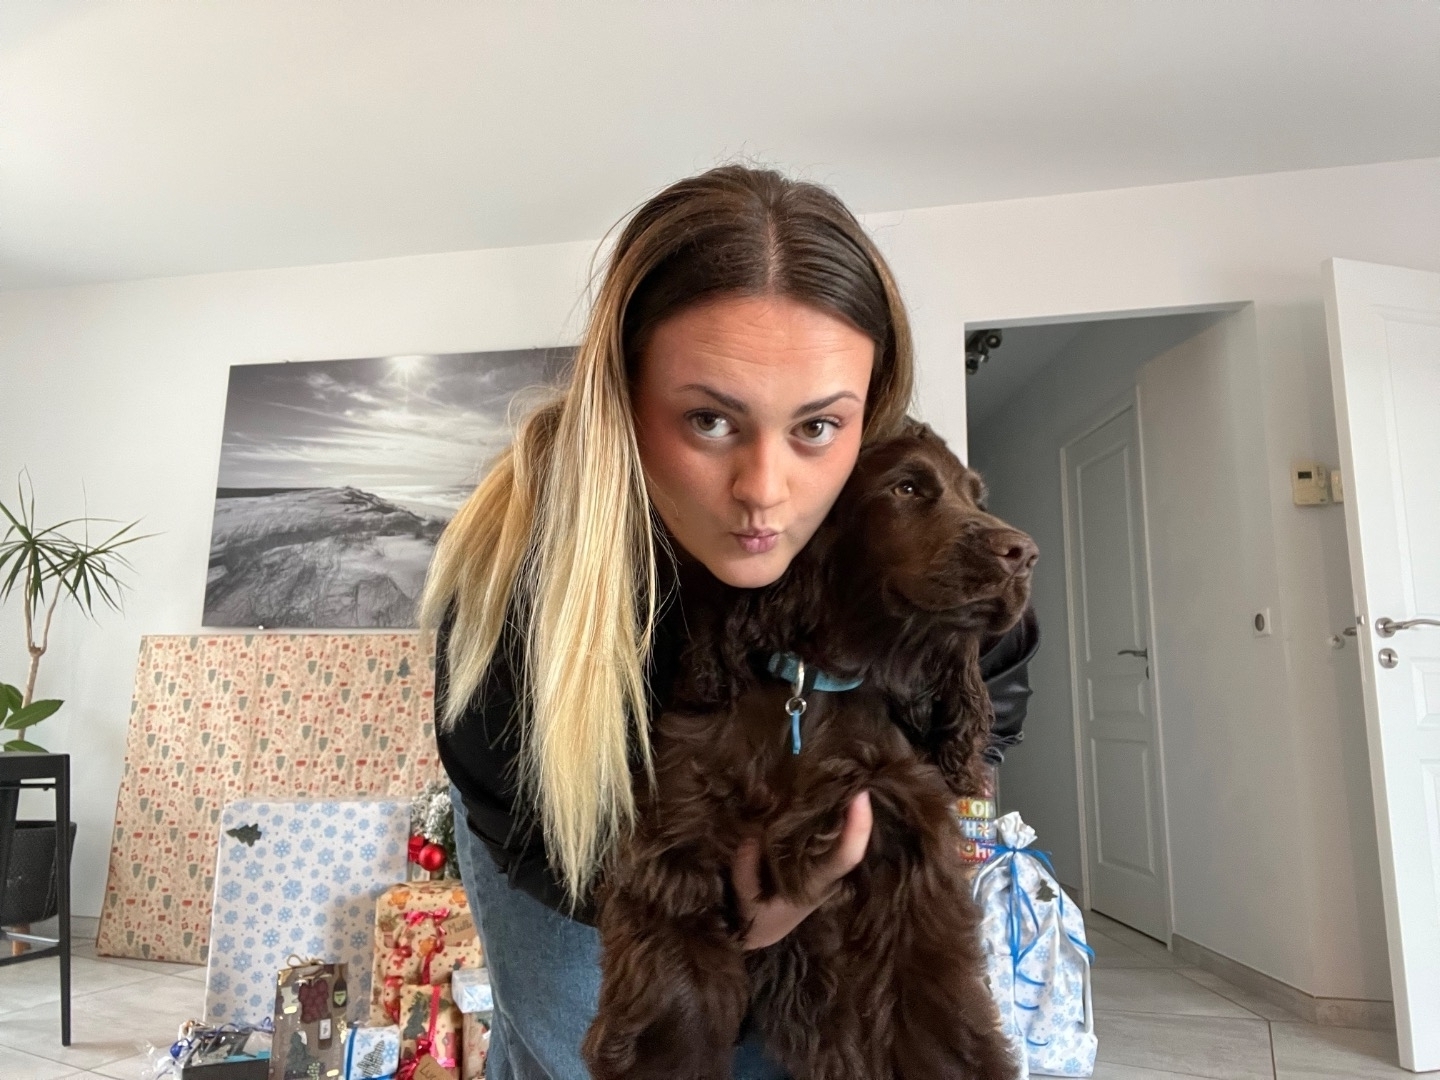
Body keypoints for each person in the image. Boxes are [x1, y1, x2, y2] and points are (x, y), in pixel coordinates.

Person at [421, 165, 1038, 1080]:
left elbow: (990, 699)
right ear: (624, 401)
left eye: (816, 428)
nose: (764, 491)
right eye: (710, 420)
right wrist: (727, 915)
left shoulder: (907, 533)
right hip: (584, 876)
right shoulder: (521, 589)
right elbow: (523, 825)